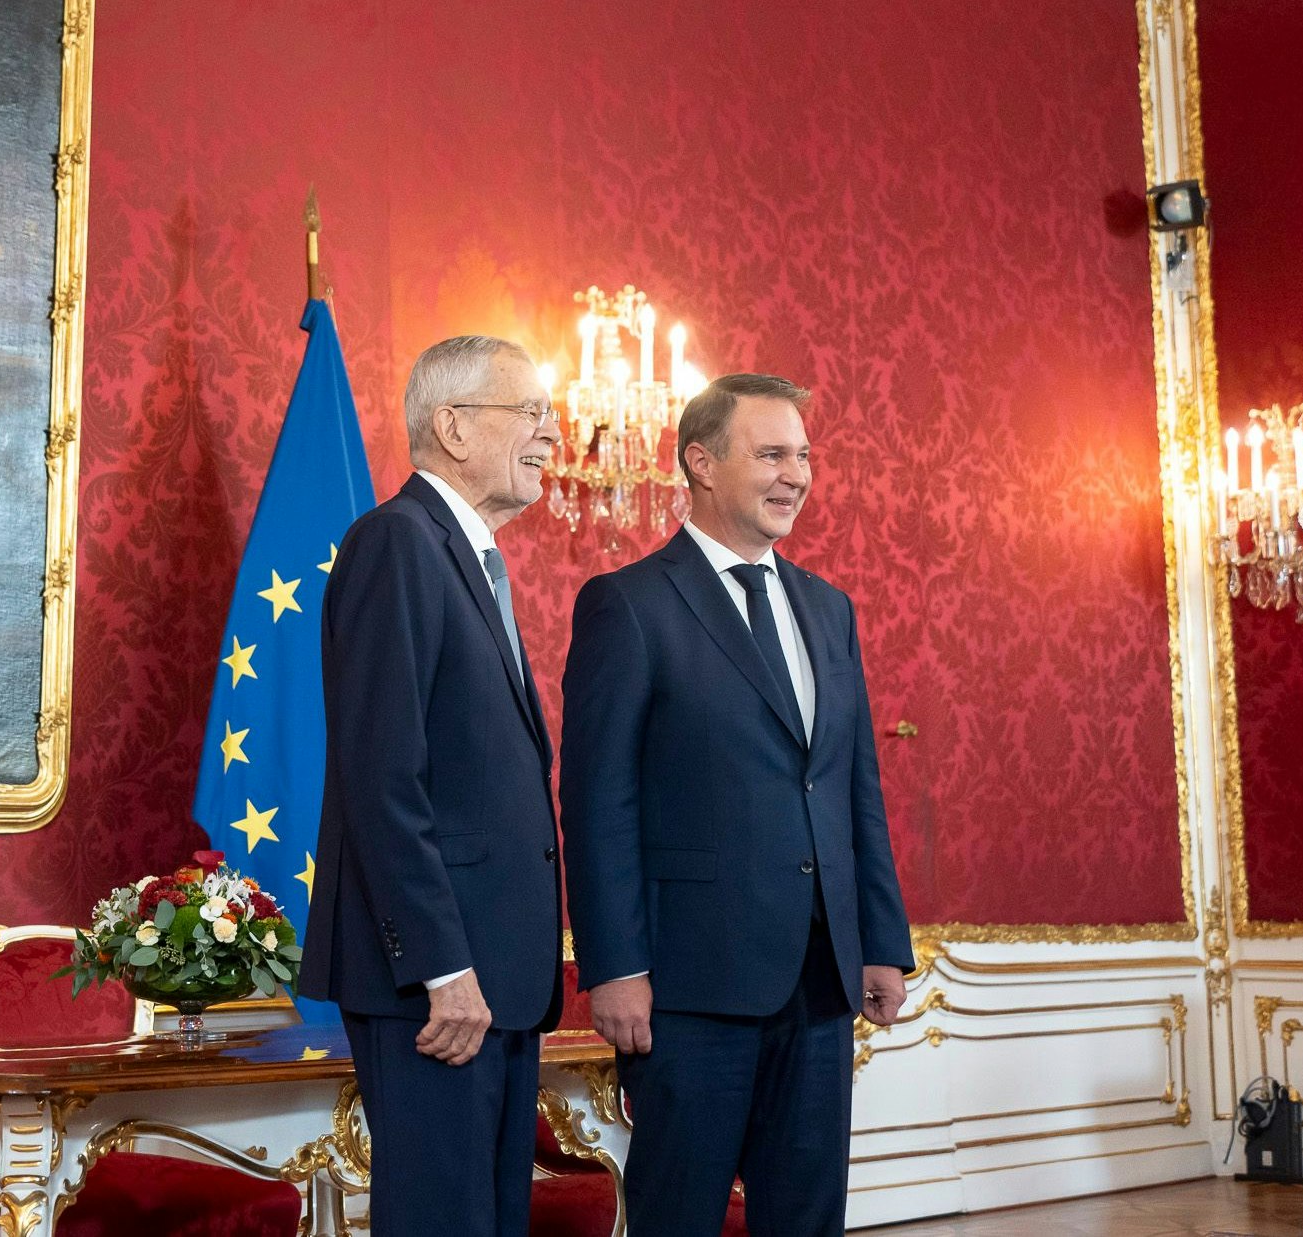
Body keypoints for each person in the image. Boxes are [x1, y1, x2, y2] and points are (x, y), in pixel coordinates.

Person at [559, 372, 914, 1236]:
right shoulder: (629, 604)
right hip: (690, 987)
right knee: (679, 1215)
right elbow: (597, 801)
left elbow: (853, 786)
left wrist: (881, 940)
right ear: (702, 462)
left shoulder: (829, 611)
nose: (796, 474)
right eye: (772, 453)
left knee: (807, 1216)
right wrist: (613, 966)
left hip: (822, 979)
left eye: (803, 455)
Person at [298, 335, 564, 1236]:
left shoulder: (470, 556)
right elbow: (384, 779)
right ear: (452, 425)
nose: (551, 434)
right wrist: (445, 968)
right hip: (440, 984)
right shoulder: (397, 543)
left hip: (498, 976)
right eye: (528, 412)